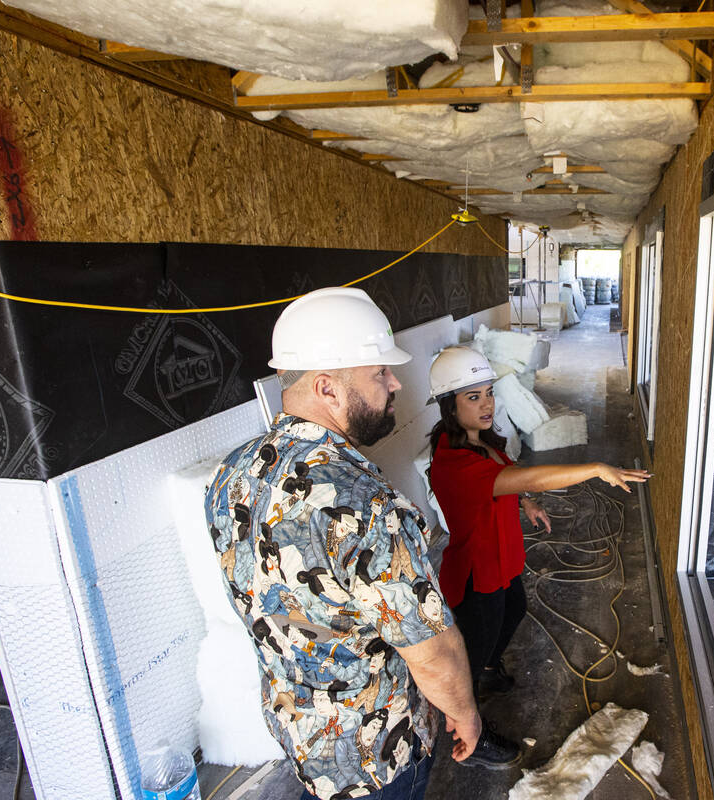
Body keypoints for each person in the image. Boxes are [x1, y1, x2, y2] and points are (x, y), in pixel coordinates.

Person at [205, 288, 508, 800]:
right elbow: (431, 651)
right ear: (327, 389)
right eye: (379, 374)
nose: (395, 384)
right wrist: (465, 714)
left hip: (301, 736)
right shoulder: (364, 505)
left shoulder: (232, 473)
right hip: (378, 750)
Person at [424, 345, 649, 759]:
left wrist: (525, 501)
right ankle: (469, 731)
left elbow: (509, 478)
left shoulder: (483, 443)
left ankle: (489, 672)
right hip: (478, 572)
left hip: (503, 558)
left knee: (514, 610)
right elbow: (530, 476)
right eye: (473, 397)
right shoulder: (455, 462)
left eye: (488, 392)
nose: (487, 403)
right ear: (448, 407)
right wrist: (595, 468)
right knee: (470, 654)